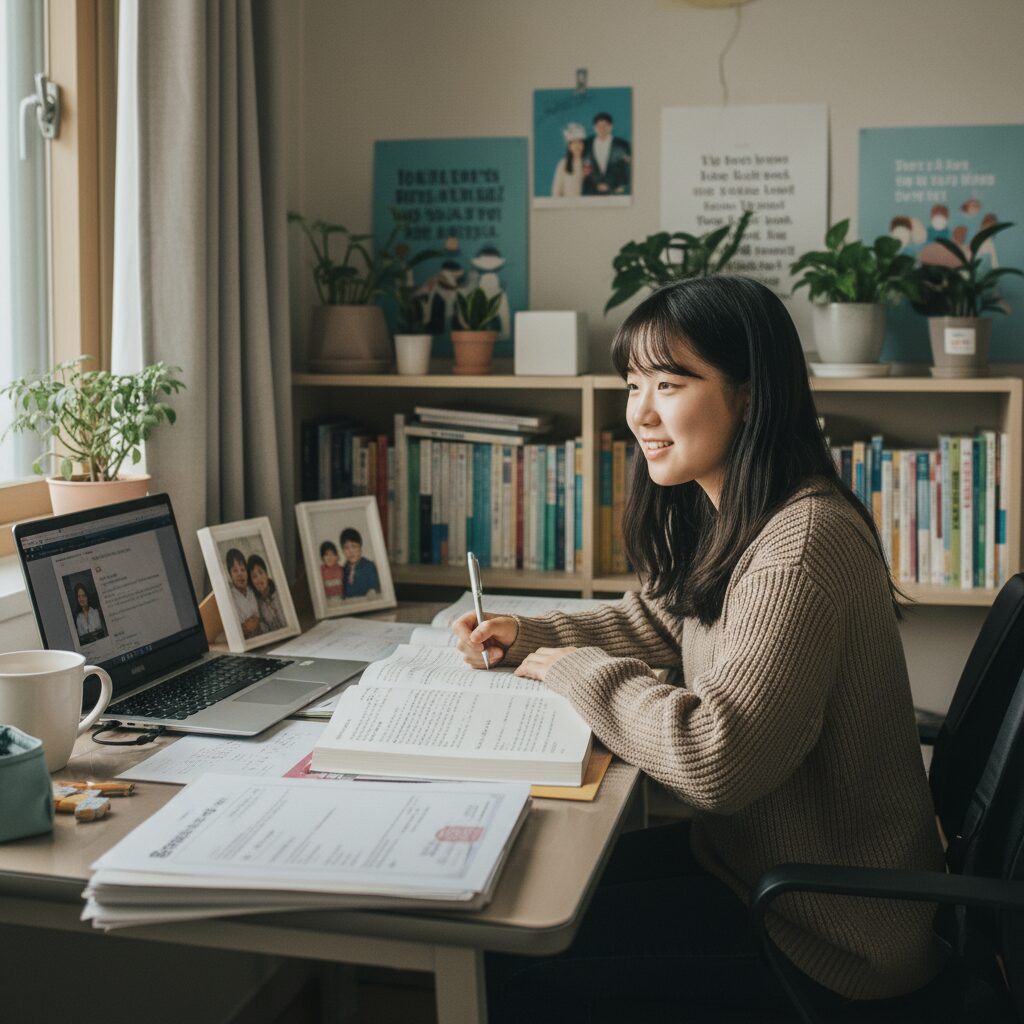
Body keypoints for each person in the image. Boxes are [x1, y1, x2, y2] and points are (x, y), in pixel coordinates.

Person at [453, 276, 947, 1020]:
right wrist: (531, 637)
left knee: (519, 963)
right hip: (752, 875)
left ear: (749, 394)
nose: (641, 412)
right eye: (632, 384)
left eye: (670, 382)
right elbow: (658, 622)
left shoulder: (801, 546)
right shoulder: (741, 512)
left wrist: (578, 672)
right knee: (510, 906)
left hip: (828, 938)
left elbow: (717, 759)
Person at [582, 111, 631, 196]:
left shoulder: (622, 144)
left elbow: (626, 168)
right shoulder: (587, 144)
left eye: (605, 126)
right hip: (591, 191)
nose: (602, 128)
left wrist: (616, 185)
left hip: (616, 191)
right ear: (594, 127)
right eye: (599, 126)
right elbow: (584, 167)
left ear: (611, 127)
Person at [247, 553, 288, 634]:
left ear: (266, 573)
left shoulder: (280, 591)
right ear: (251, 582)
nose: (259, 578)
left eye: (261, 572)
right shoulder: (256, 603)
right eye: (254, 576)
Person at [225, 547, 260, 638]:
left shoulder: (252, 591)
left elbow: (258, 618)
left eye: (243, 569)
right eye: (235, 570)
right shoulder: (230, 596)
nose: (240, 574)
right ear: (230, 575)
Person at [550, 122, 588, 198]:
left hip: (585, 206)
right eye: (574, 143)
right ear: (569, 146)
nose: (577, 146)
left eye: (580, 142)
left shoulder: (587, 163)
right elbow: (556, 191)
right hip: (567, 206)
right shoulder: (563, 164)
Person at [339, 527, 380, 598]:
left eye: (354, 546)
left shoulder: (369, 566)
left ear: (360, 548)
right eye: (346, 548)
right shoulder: (344, 569)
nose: (351, 551)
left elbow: (374, 589)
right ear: (343, 551)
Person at [320, 540, 343, 605]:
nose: (329, 557)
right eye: (326, 555)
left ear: (337, 556)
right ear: (322, 557)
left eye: (332, 554)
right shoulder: (319, 572)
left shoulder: (343, 570)